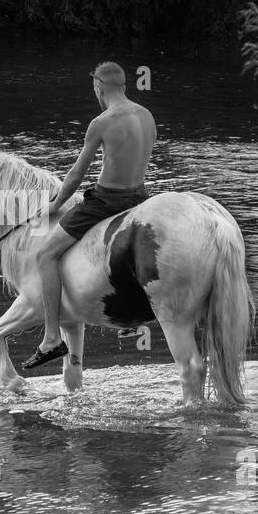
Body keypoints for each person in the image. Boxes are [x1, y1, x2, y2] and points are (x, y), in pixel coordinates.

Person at [21, 62, 157, 369]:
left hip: (107, 201)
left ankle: (52, 337)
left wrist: (56, 204)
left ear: (99, 87)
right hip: (140, 199)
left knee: (45, 255)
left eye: (94, 87)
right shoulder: (147, 116)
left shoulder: (101, 122)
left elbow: (75, 175)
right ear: (124, 85)